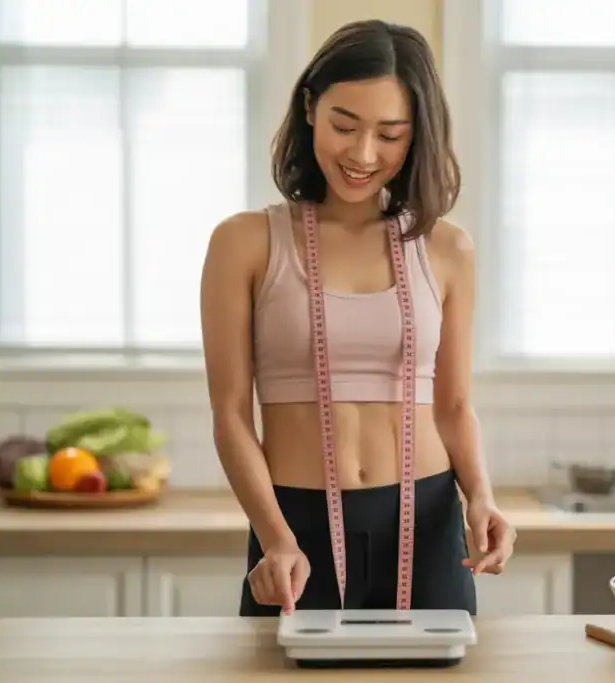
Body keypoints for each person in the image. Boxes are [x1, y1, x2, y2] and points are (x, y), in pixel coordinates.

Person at [199, 19, 515, 617]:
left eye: (390, 135)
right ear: (311, 107)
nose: (363, 154)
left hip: (427, 523)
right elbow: (231, 413)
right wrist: (275, 536)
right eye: (345, 125)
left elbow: (451, 404)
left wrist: (481, 496)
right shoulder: (245, 242)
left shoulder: (447, 249)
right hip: (295, 531)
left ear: (416, 136)